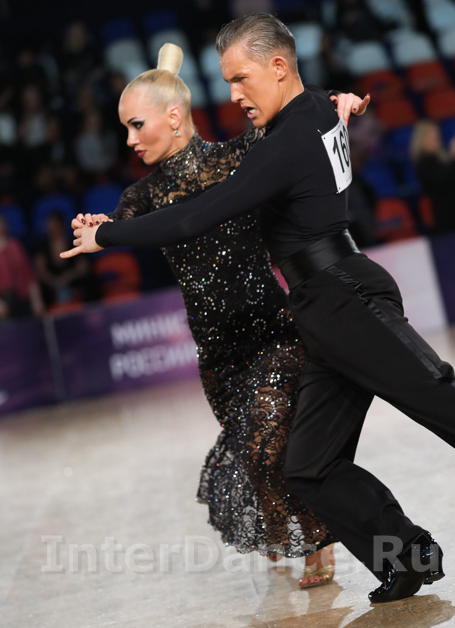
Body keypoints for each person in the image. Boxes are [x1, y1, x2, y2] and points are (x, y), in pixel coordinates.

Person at [61, 14, 455, 605]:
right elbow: (315, 105)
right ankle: (406, 557)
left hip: (344, 294)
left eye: (240, 78)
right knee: (309, 468)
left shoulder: (287, 139)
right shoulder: (309, 115)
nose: (232, 95)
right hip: (317, 307)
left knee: (440, 400)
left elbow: (194, 215)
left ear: (278, 67)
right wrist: (338, 100)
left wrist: (105, 237)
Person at [65, 43, 369, 587]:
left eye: (136, 125)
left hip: (273, 333)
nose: (129, 140)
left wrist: (334, 101)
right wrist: (98, 228)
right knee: (257, 459)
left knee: (268, 445)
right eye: (125, 129)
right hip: (218, 355)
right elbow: (119, 224)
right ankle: (290, 530)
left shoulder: (238, 156)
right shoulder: (141, 196)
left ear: (173, 116)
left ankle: (316, 542)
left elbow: (295, 119)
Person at [410, 119, 455, 234]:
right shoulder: (423, 164)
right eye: (432, 137)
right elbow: (443, 179)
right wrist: (454, 157)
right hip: (447, 223)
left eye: (438, 136)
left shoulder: (444, 159)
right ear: (422, 140)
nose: (437, 140)